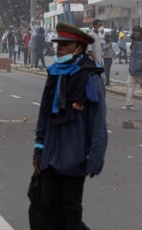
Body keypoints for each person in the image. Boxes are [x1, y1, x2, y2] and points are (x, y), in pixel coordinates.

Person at [33, 22, 107, 230]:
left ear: (79, 48)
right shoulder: (54, 73)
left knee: (71, 216)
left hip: (75, 159)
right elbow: (44, 114)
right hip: (50, 157)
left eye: (65, 44)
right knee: (48, 209)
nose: (59, 48)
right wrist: (39, 149)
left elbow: (98, 122)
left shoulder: (91, 78)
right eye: (58, 44)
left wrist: (95, 157)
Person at [122, 26, 142, 110]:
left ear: (140, 33)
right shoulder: (133, 43)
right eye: (134, 31)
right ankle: (129, 105)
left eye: (137, 31)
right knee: (129, 85)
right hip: (132, 71)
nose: (135, 33)